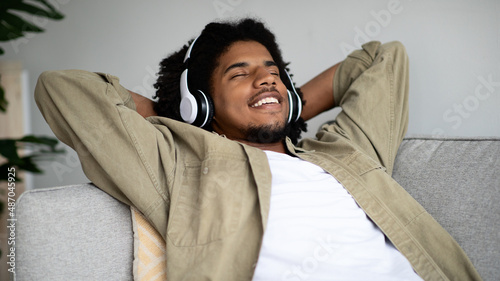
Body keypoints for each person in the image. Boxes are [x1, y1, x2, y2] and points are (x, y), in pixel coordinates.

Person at [35, 18, 481, 280]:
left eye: (273, 71)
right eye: (240, 73)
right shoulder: (181, 166)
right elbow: (64, 89)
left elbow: (383, 59)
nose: (267, 78)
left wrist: (291, 103)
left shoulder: (343, 152)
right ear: (201, 101)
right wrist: (181, 114)